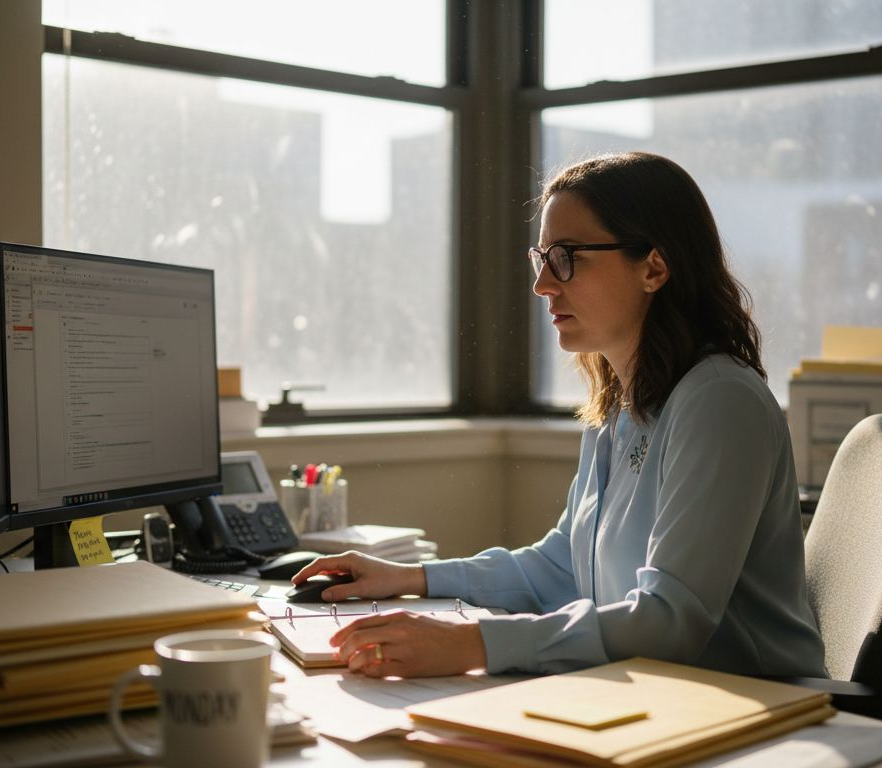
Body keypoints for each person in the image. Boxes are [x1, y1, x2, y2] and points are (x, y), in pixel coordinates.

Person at [293, 152, 827, 680]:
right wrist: (409, 577)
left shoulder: (720, 401)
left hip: (760, 706)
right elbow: (561, 566)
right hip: (660, 694)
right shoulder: (619, 406)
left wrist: (471, 644)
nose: (543, 284)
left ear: (654, 267)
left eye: (567, 257)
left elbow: (671, 621)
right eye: (542, 258)